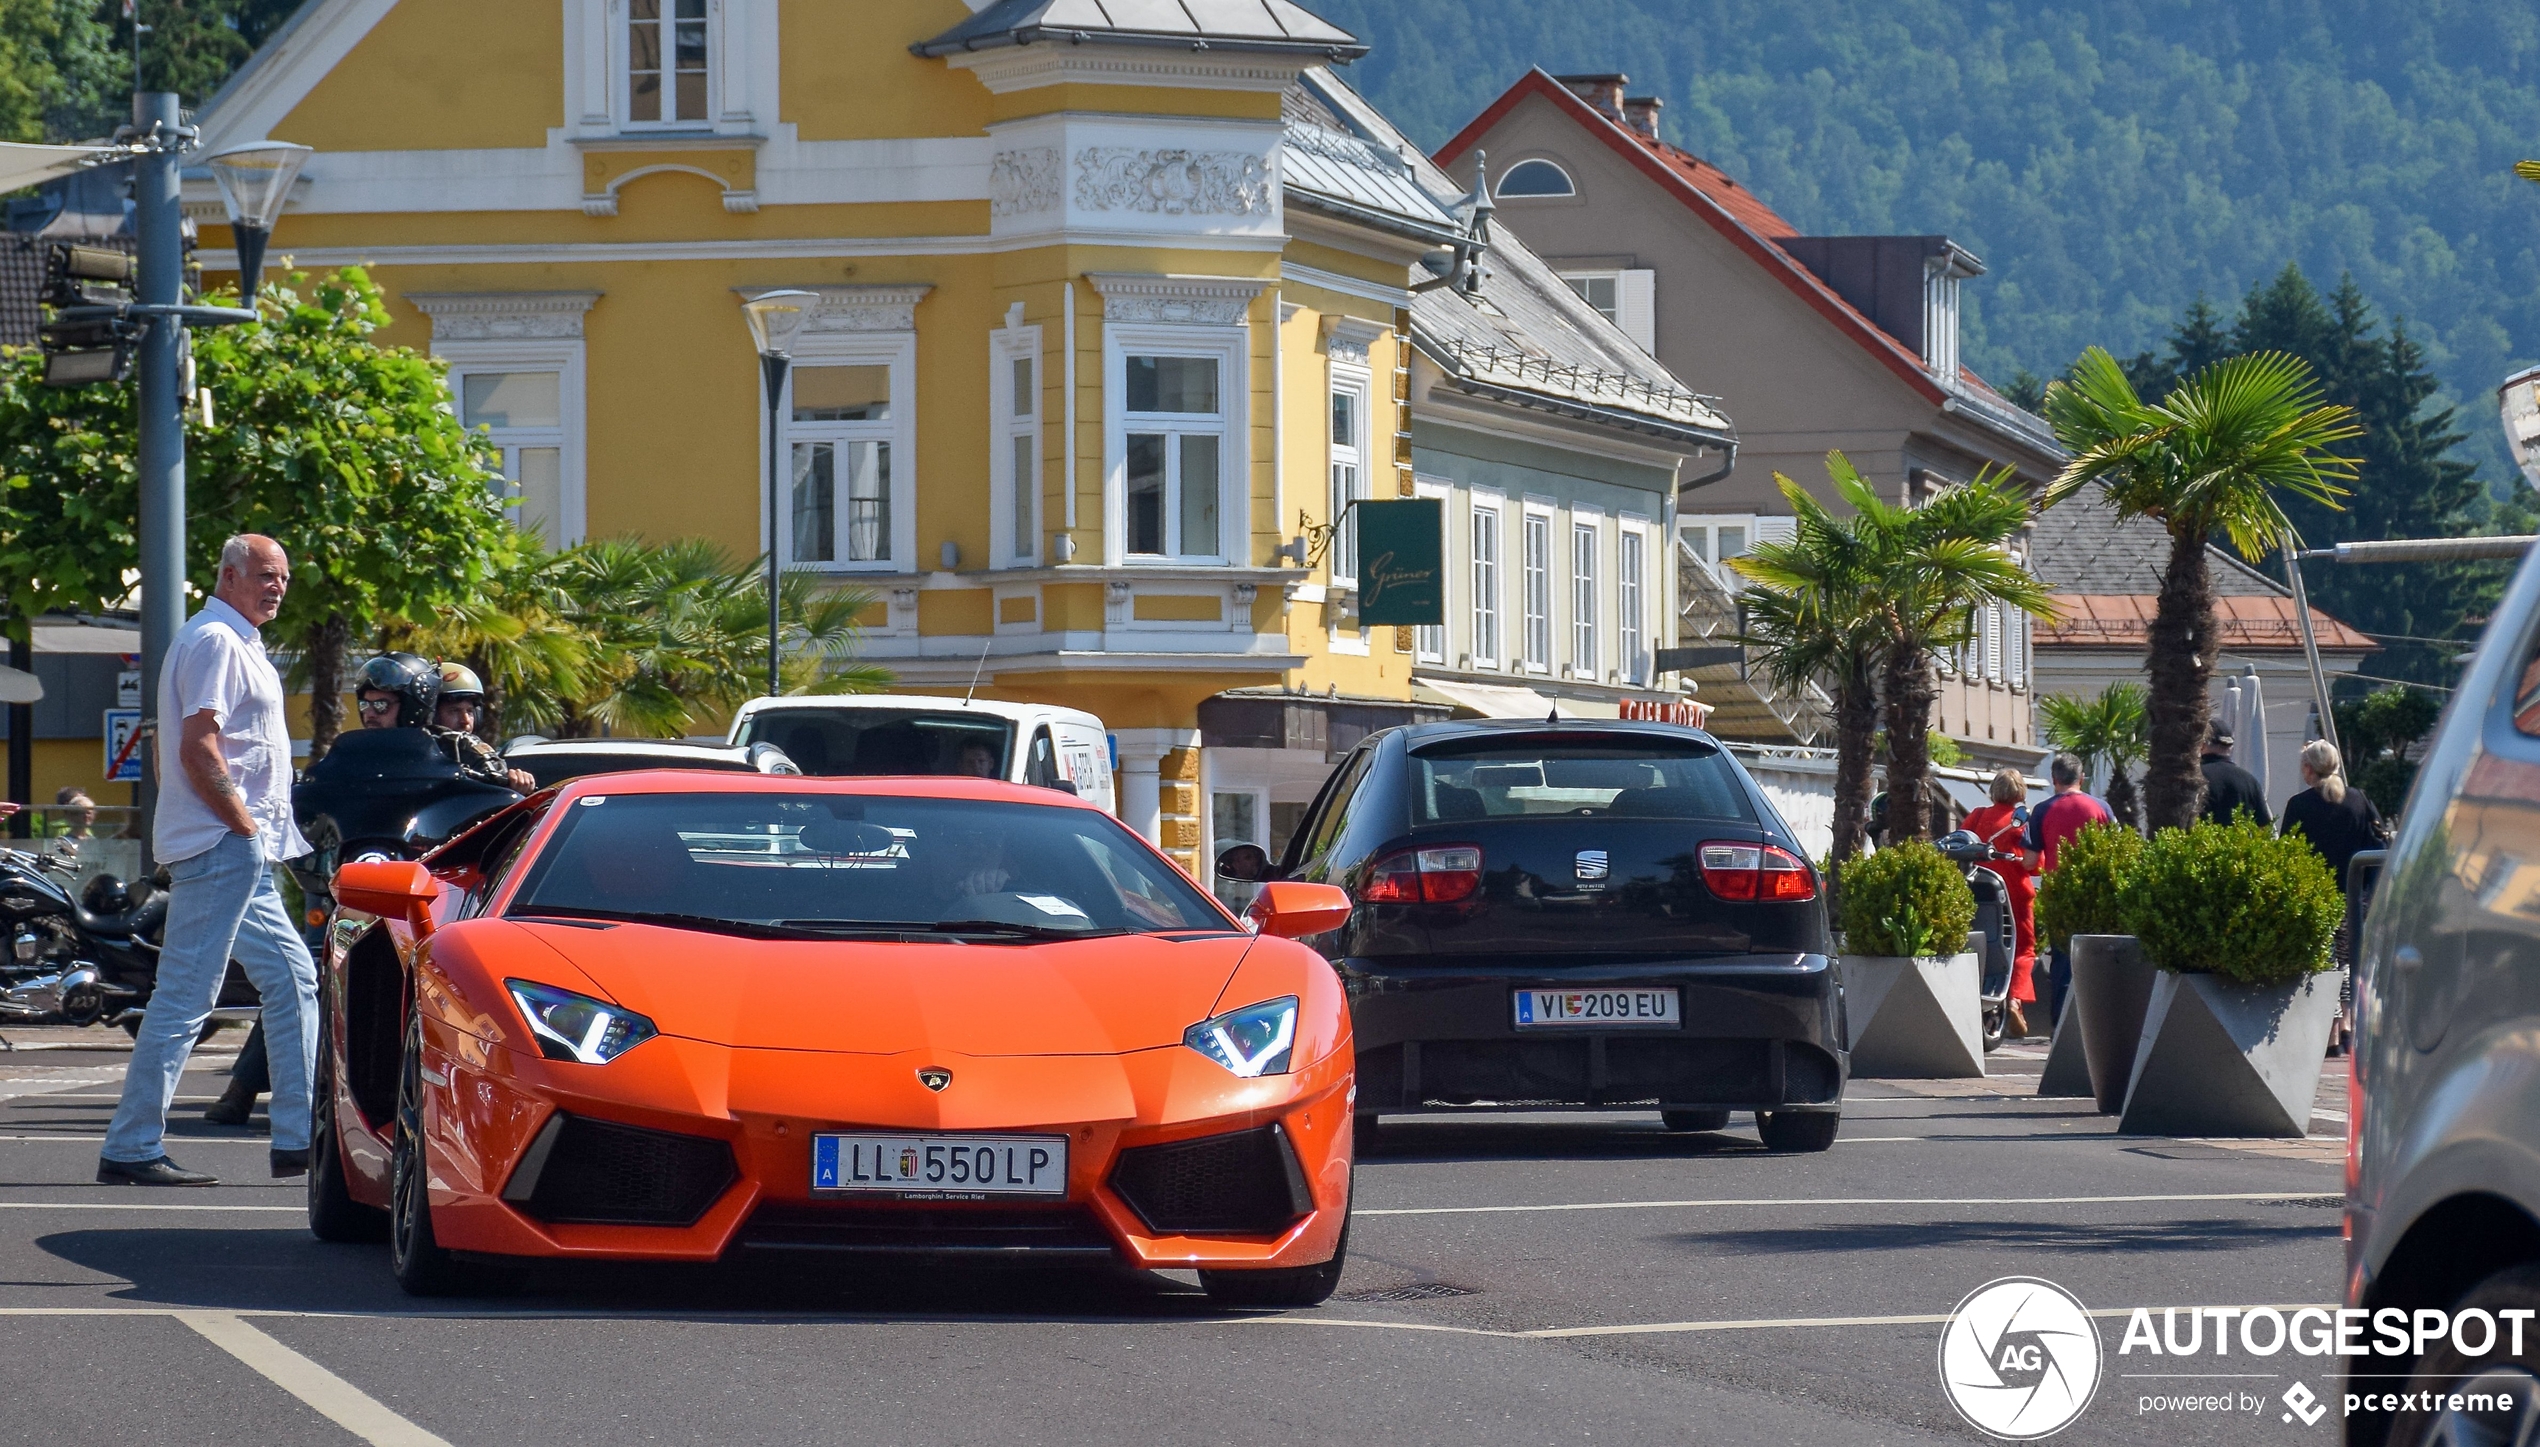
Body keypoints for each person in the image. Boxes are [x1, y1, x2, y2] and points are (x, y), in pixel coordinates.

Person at [98, 535, 318, 1186]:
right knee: (187, 997)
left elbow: (174, 750)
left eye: (283, 578)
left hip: (235, 848)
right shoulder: (217, 639)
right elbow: (199, 745)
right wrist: (243, 827)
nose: (277, 586)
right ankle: (133, 1145)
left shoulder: (235, 638)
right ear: (228, 575)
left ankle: (299, 1139)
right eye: (264, 575)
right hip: (225, 845)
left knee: (294, 979)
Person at [2022, 753, 2116, 1024]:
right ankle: (2096, 1026)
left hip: (2059, 895)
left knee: (2063, 965)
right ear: (2081, 777)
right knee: (2097, 963)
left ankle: (2061, 1027)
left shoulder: (2042, 810)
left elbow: (2030, 860)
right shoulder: (2102, 808)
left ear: (2054, 780)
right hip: (2095, 894)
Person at [1960, 768, 2038, 1039]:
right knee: (2024, 948)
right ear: (2020, 792)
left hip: (1980, 890)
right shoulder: (2023, 822)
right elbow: (2035, 864)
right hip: (2016, 891)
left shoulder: (1978, 815)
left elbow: (1960, 844)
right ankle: (2015, 1000)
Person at [434, 662, 536, 792]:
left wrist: (517, 782)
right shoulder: (413, 756)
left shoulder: (473, 754)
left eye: (470, 711)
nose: (465, 720)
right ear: (432, 715)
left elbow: (496, 774)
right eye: (454, 711)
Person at [2199, 720, 2272, 827]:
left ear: (2202, 744)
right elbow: (2264, 827)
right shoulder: (2249, 780)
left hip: (2199, 842)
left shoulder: (2194, 777)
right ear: (2231, 747)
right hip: (2240, 842)